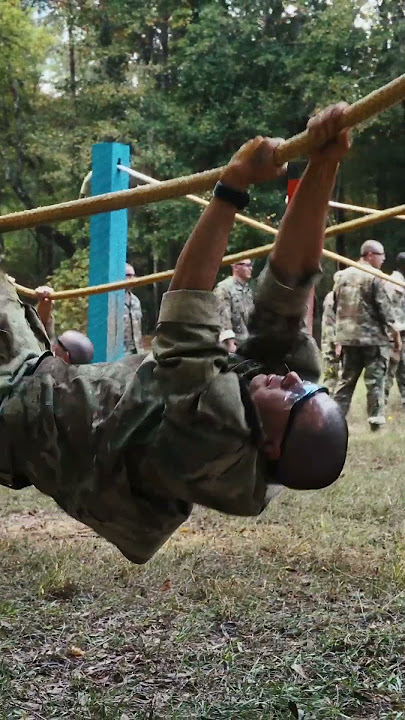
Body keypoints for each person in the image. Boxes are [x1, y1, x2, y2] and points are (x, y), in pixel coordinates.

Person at [0, 104, 349, 564]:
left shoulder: (211, 436)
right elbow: (292, 280)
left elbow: (186, 302)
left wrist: (232, 187)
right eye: (301, 383)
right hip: (35, 381)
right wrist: (325, 165)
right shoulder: (266, 414)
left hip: (12, 407)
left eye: (293, 396)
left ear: (268, 443)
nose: (288, 378)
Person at [333, 240, 400, 430]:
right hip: (372, 339)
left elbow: (336, 304)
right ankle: (375, 421)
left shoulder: (340, 276)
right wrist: (395, 335)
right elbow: (384, 309)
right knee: (375, 381)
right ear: (369, 255)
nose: (384, 259)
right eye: (381, 255)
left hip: (347, 337)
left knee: (346, 381)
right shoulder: (374, 276)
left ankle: (335, 418)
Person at [35, 285, 94, 364]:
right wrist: (46, 301)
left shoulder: (47, 371)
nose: (54, 345)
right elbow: (42, 326)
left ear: (66, 357)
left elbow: (39, 331)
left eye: (59, 342)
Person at [214, 259, 254, 346]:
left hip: (247, 341)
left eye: (251, 265)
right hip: (234, 343)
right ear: (235, 267)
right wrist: (229, 342)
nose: (250, 268)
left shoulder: (248, 290)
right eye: (247, 265)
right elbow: (223, 317)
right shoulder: (224, 287)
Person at [385, 252, 405, 406]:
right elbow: (393, 311)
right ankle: (380, 406)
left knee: (402, 369)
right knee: (390, 371)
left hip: (400, 333)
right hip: (395, 335)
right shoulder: (395, 283)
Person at [321, 284, 341, 393]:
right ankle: (328, 401)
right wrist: (337, 343)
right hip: (330, 344)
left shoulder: (338, 295)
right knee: (330, 375)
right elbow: (330, 323)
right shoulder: (332, 297)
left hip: (336, 341)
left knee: (338, 375)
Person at [124, 263, 143, 354]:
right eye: (128, 275)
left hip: (135, 351)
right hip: (120, 352)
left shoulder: (135, 301)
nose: (132, 279)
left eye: (133, 275)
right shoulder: (114, 300)